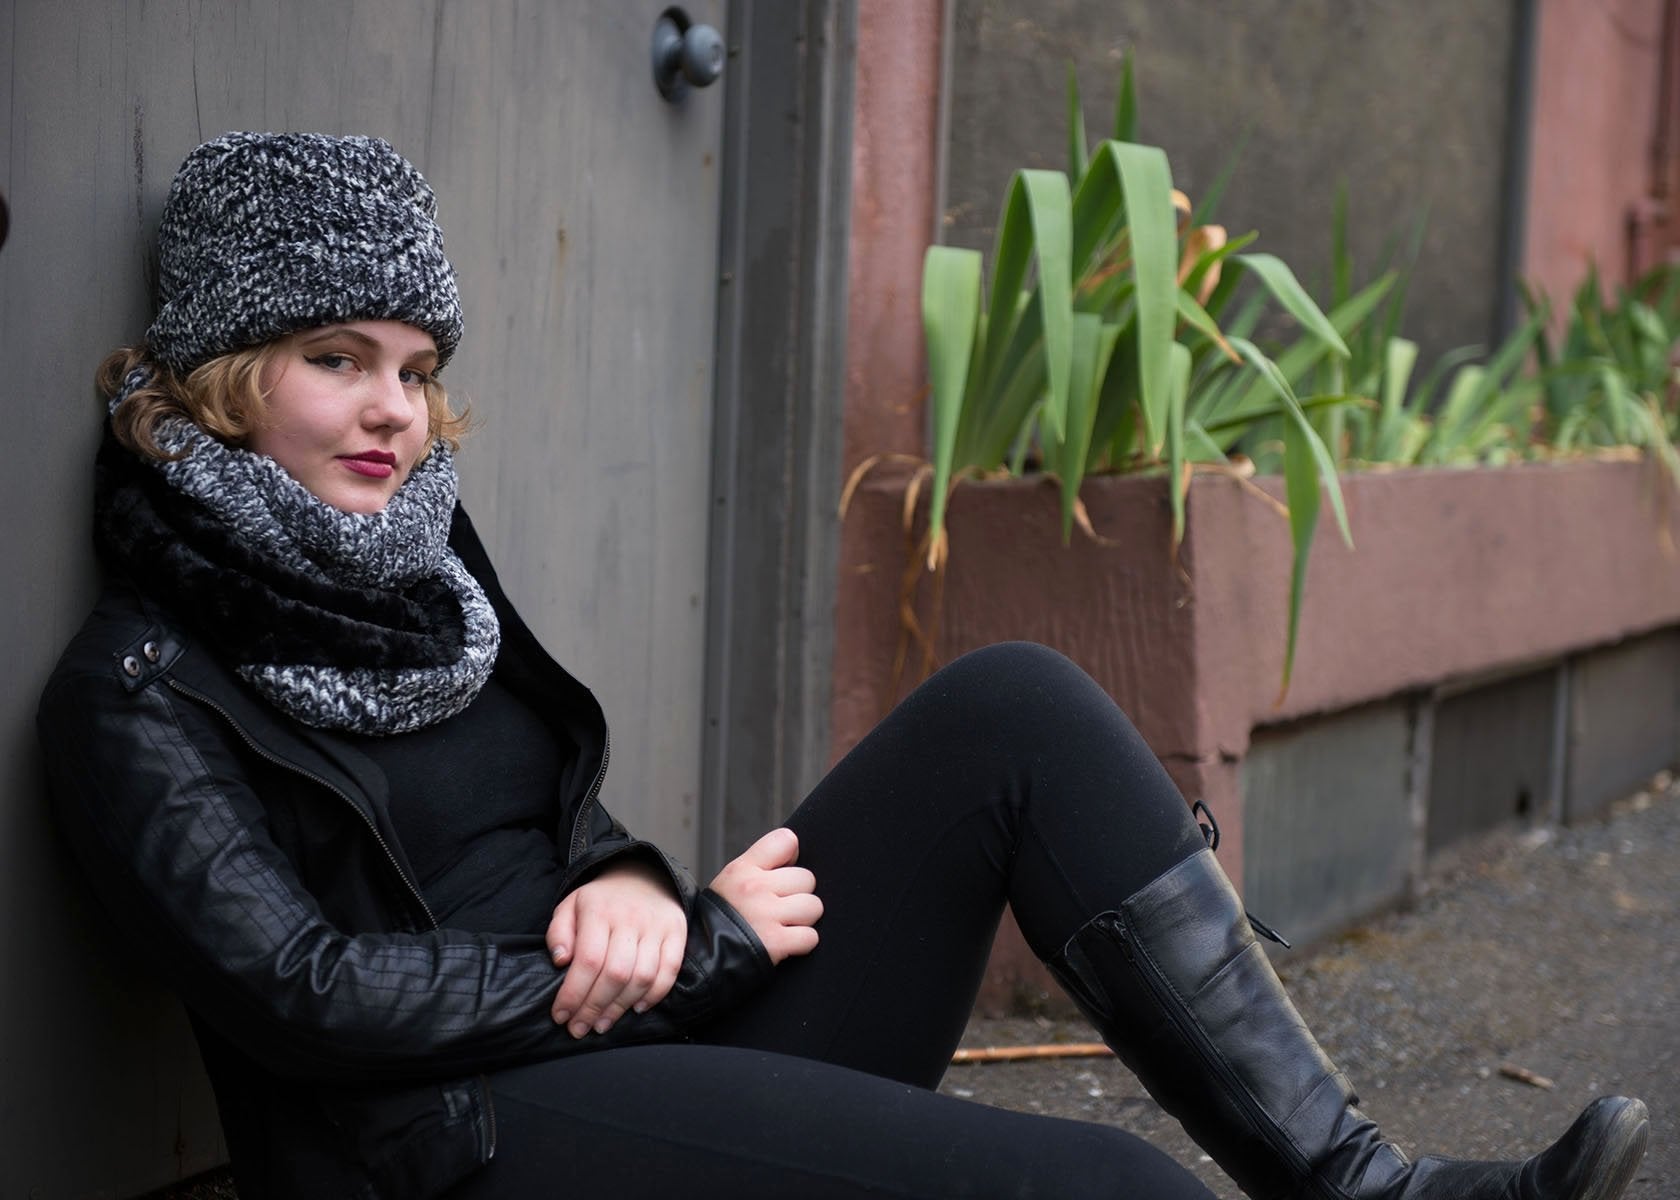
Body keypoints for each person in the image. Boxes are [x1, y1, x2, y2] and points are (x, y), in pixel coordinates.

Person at [37, 131, 1649, 1200]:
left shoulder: (421, 562)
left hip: (629, 1036)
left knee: (1012, 704)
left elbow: (549, 827)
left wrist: (643, 885)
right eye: (338, 360)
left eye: (417, 368)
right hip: (447, 1143)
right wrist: (696, 955)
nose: (396, 410)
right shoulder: (138, 695)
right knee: (1108, 1190)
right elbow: (300, 999)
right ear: (229, 376)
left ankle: (1366, 1189)